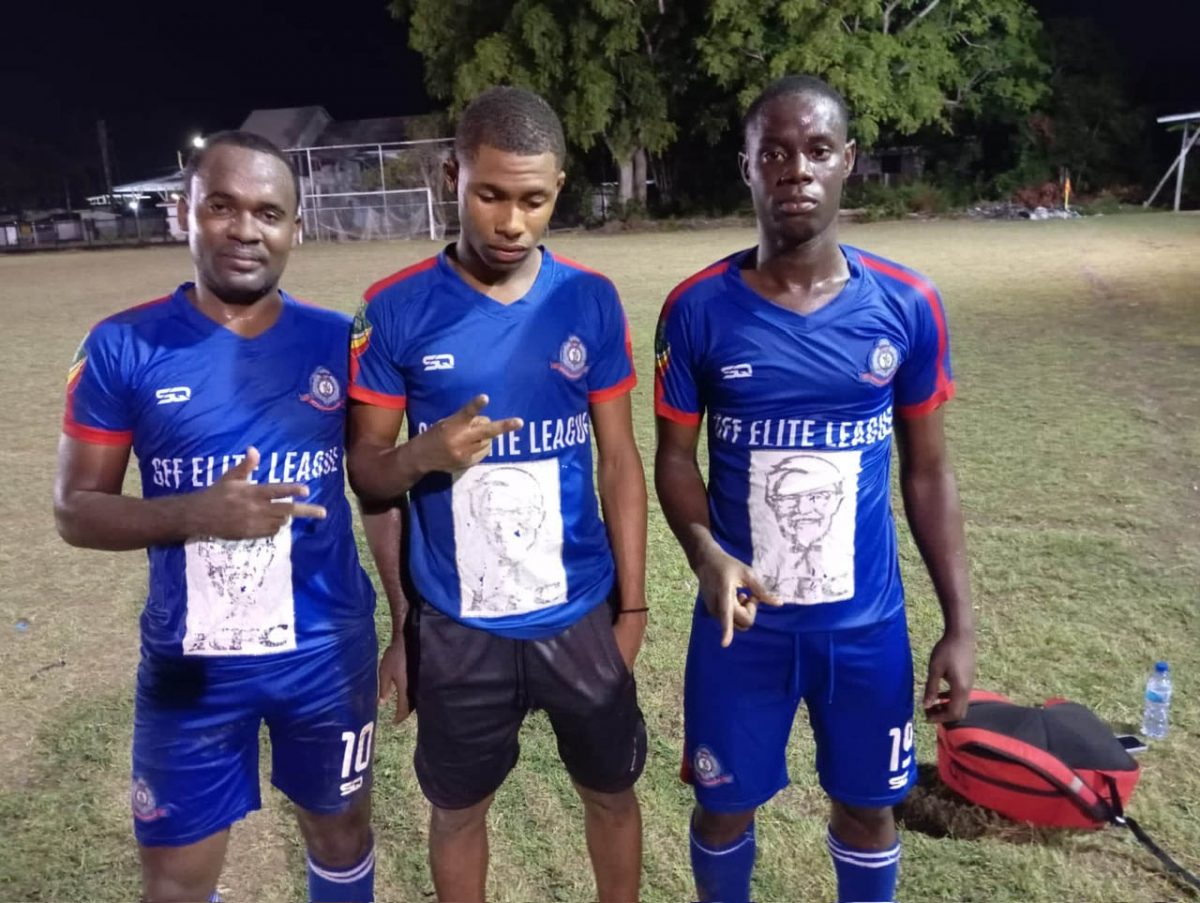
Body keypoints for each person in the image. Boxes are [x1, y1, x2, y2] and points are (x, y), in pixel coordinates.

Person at [653, 74, 976, 903]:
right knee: (724, 811)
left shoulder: (906, 304)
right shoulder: (695, 310)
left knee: (869, 809)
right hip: (741, 631)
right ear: (748, 169)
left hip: (865, 629)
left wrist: (960, 623)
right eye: (776, 153)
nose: (797, 168)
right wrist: (705, 554)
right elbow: (676, 460)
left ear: (849, 163)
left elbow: (929, 469)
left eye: (818, 151)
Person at [54, 131, 382, 903]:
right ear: (183, 215)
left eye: (269, 212)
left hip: (326, 653)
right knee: (174, 880)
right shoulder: (121, 346)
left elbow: (379, 488)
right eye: (222, 206)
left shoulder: (341, 343)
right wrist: (194, 513)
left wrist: (407, 622)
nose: (245, 229)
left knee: (341, 837)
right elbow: (75, 509)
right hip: (191, 665)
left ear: (296, 229)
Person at [346, 86, 648, 903]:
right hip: (460, 623)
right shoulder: (395, 308)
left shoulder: (589, 299)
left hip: (579, 613)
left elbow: (619, 460)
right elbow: (367, 475)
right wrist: (423, 453)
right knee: (458, 810)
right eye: (491, 194)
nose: (511, 221)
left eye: (534, 199)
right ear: (454, 176)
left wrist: (633, 609)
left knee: (612, 794)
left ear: (556, 193)